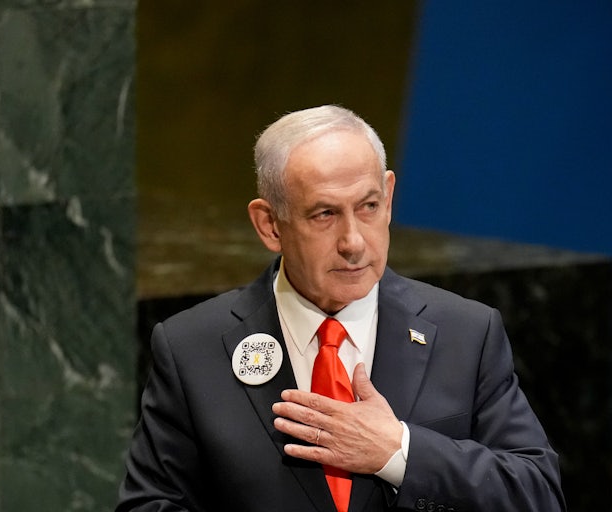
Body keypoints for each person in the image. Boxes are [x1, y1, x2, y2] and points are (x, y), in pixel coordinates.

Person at [116, 105, 565, 511]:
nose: (353, 242)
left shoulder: (466, 332)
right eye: (324, 215)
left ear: (388, 197)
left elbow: (537, 494)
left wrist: (400, 451)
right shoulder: (192, 348)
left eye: (368, 206)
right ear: (270, 225)